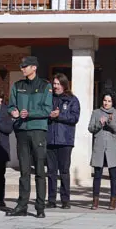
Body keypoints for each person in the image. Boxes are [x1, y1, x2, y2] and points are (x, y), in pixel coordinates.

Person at [6, 56, 53, 218]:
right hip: (22, 131)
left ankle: (40, 207)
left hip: (38, 130)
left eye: (25, 66)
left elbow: (47, 109)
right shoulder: (17, 86)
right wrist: (13, 111)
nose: (22, 69)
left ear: (34, 67)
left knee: (40, 170)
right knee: (24, 171)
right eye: (22, 66)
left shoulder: (45, 86)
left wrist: (30, 113)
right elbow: (11, 104)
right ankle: (22, 206)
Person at [46, 73, 80, 209]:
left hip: (65, 140)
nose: (55, 87)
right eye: (54, 84)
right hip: (50, 140)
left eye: (58, 84)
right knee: (51, 171)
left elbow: (74, 117)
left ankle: (65, 200)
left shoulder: (72, 99)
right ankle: (51, 200)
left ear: (64, 85)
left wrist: (60, 115)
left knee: (64, 171)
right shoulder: (49, 98)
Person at [89, 92, 116, 210]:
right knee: (97, 175)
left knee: (113, 176)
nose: (106, 103)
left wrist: (109, 122)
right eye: (105, 100)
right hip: (99, 146)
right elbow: (90, 128)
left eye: (109, 101)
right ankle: (95, 201)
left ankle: (113, 201)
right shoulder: (96, 112)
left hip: (112, 147)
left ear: (113, 102)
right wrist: (100, 123)